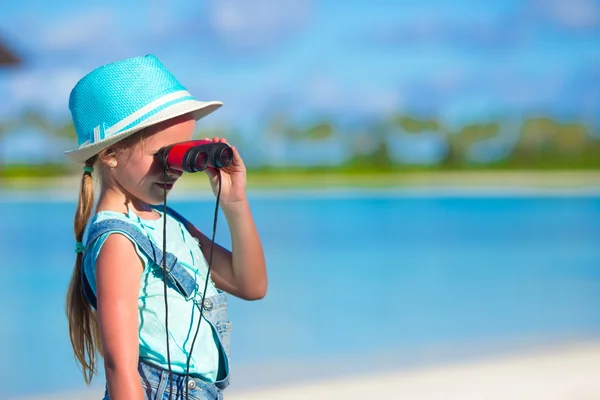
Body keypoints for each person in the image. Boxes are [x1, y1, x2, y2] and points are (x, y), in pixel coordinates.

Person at [64, 54, 268, 400]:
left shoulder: (169, 224)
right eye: (162, 155)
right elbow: (120, 367)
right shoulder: (117, 242)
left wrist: (234, 203)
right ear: (110, 154)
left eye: (181, 154)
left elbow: (251, 285)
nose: (173, 169)